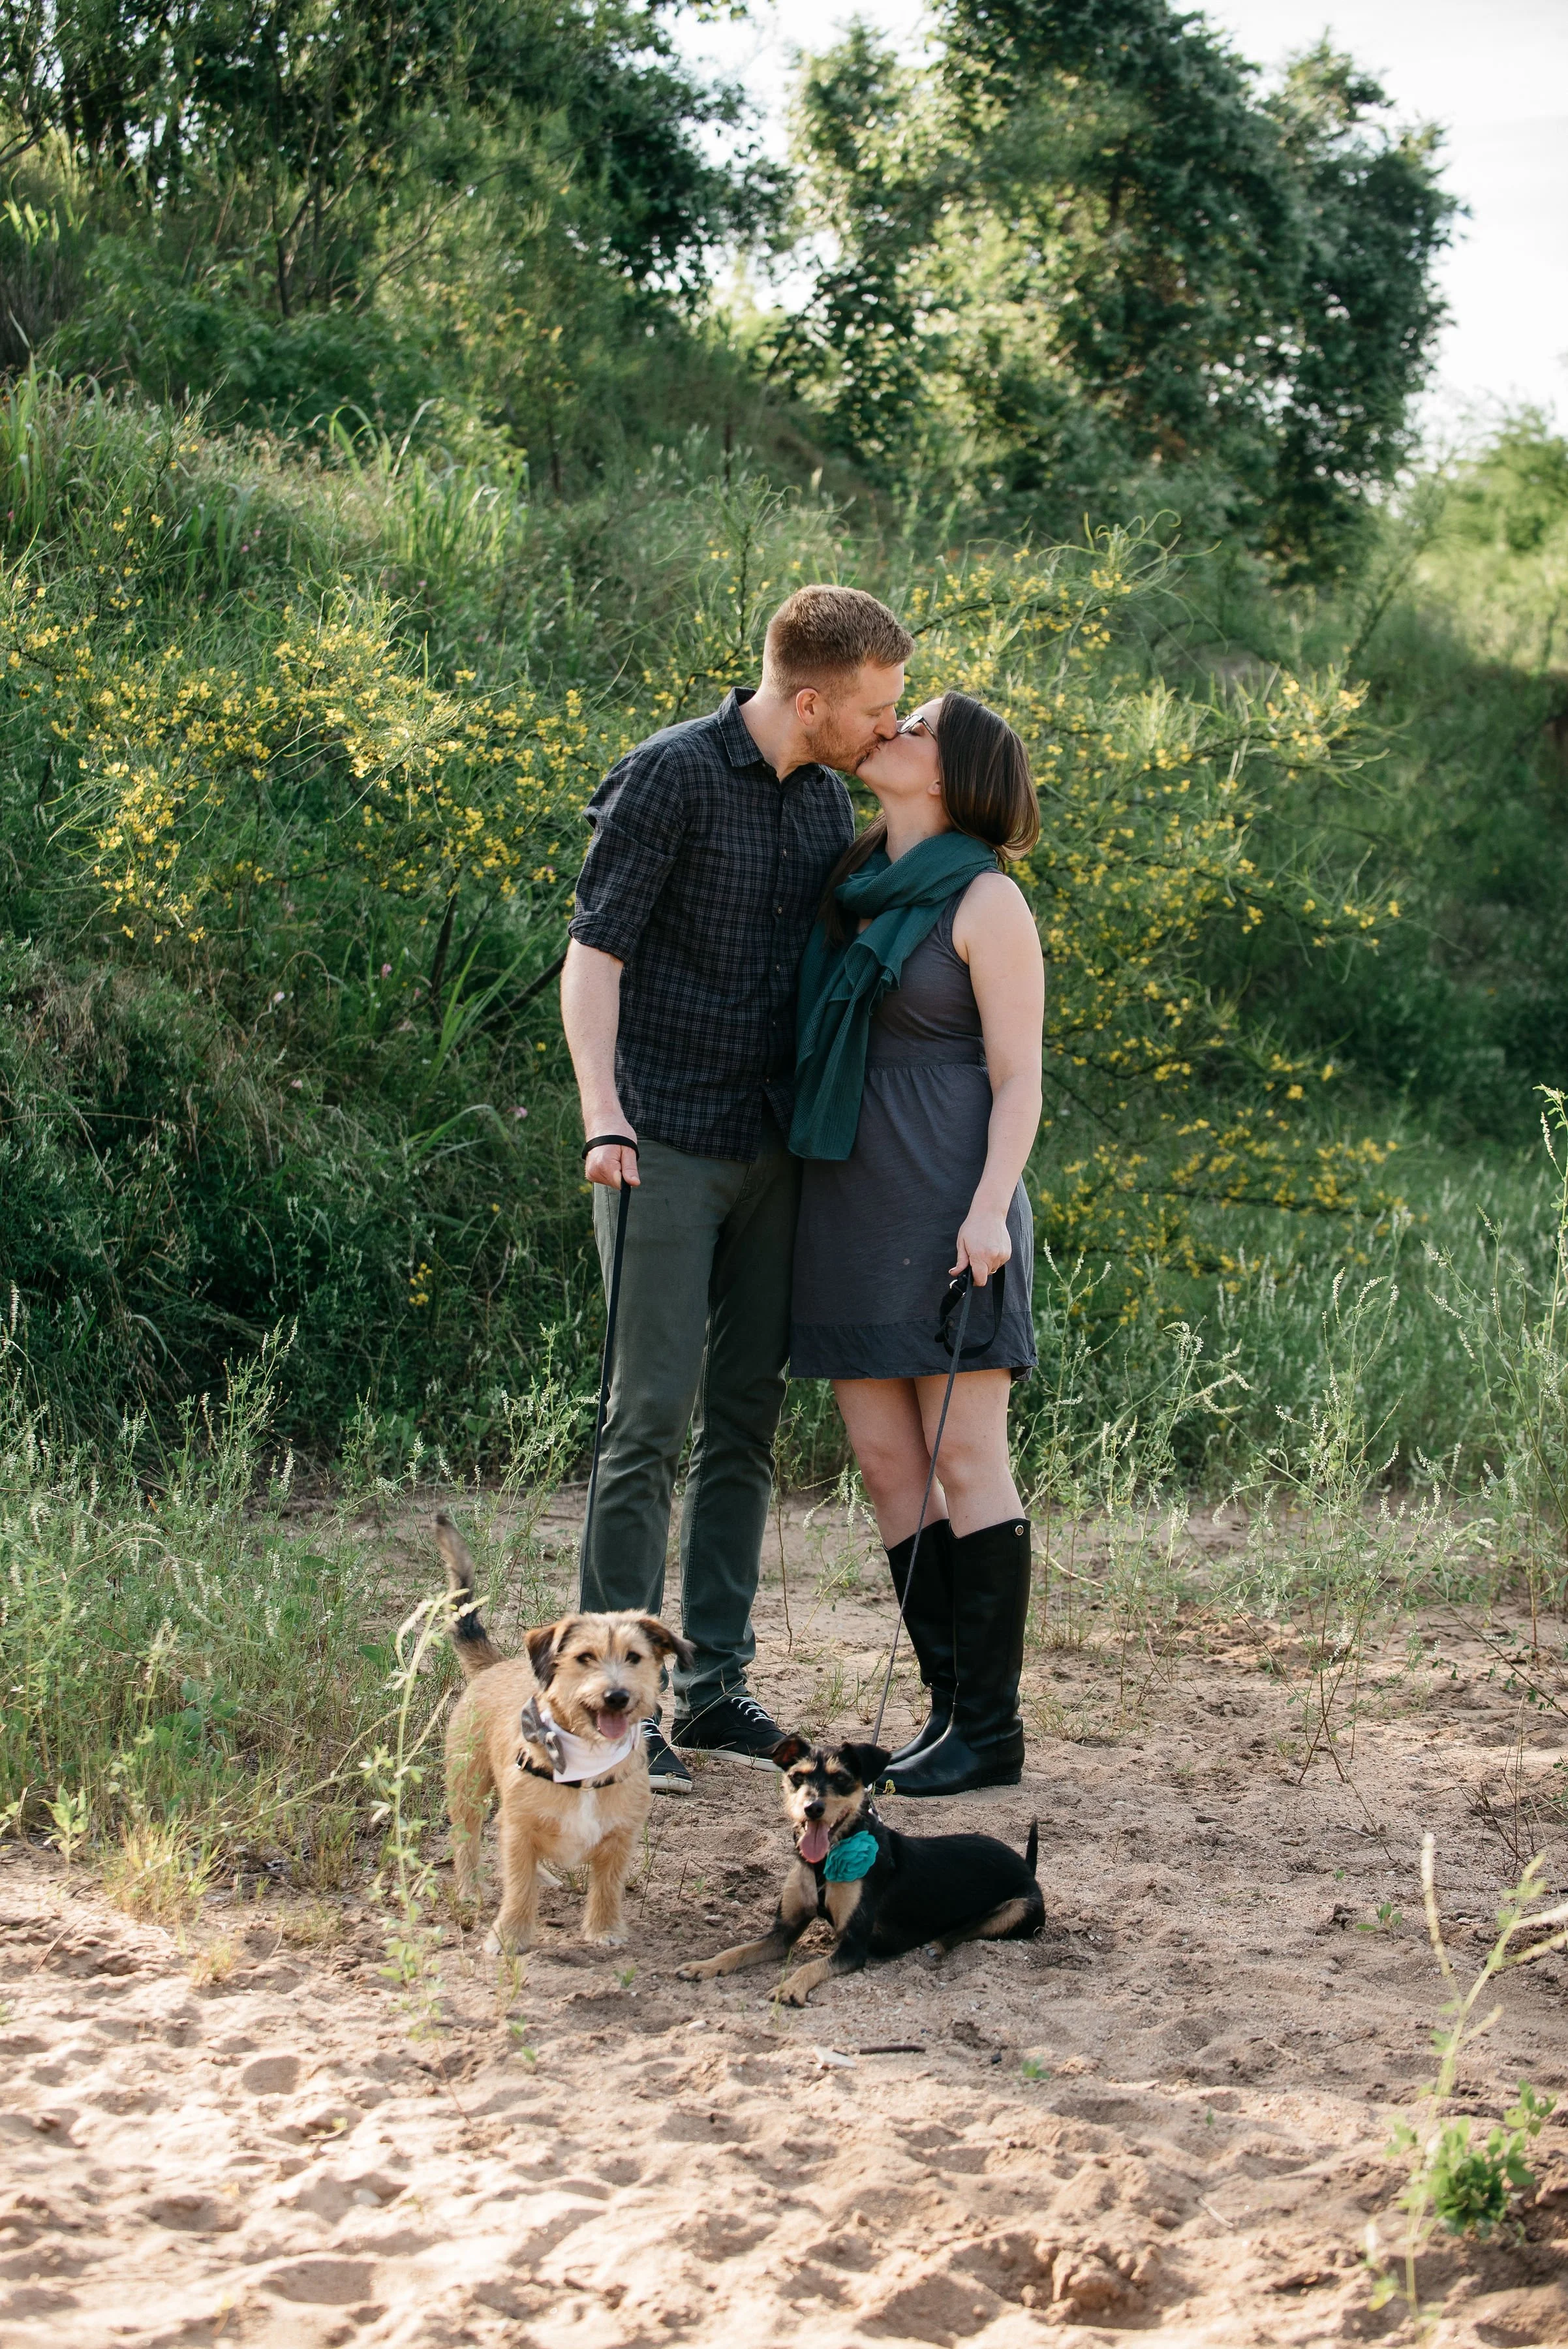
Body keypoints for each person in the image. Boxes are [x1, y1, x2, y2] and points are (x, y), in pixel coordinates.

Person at [561, 585, 915, 1792]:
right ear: (809, 697)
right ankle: (615, 1708)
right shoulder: (666, 776)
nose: (886, 726)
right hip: (657, 1144)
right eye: (874, 707)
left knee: (747, 1421)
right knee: (646, 1416)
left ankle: (710, 1689)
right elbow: (592, 954)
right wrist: (602, 1114)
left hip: (776, 1154)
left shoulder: (823, 798)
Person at [790, 690, 1044, 1797]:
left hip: (952, 1197)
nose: (893, 729)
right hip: (849, 1198)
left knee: (963, 1457)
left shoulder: (986, 899)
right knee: (890, 1467)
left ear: (953, 773)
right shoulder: (849, 889)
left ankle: (990, 1730)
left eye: (921, 724)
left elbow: (1019, 1075)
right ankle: (946, 1715)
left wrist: (989, 1205)